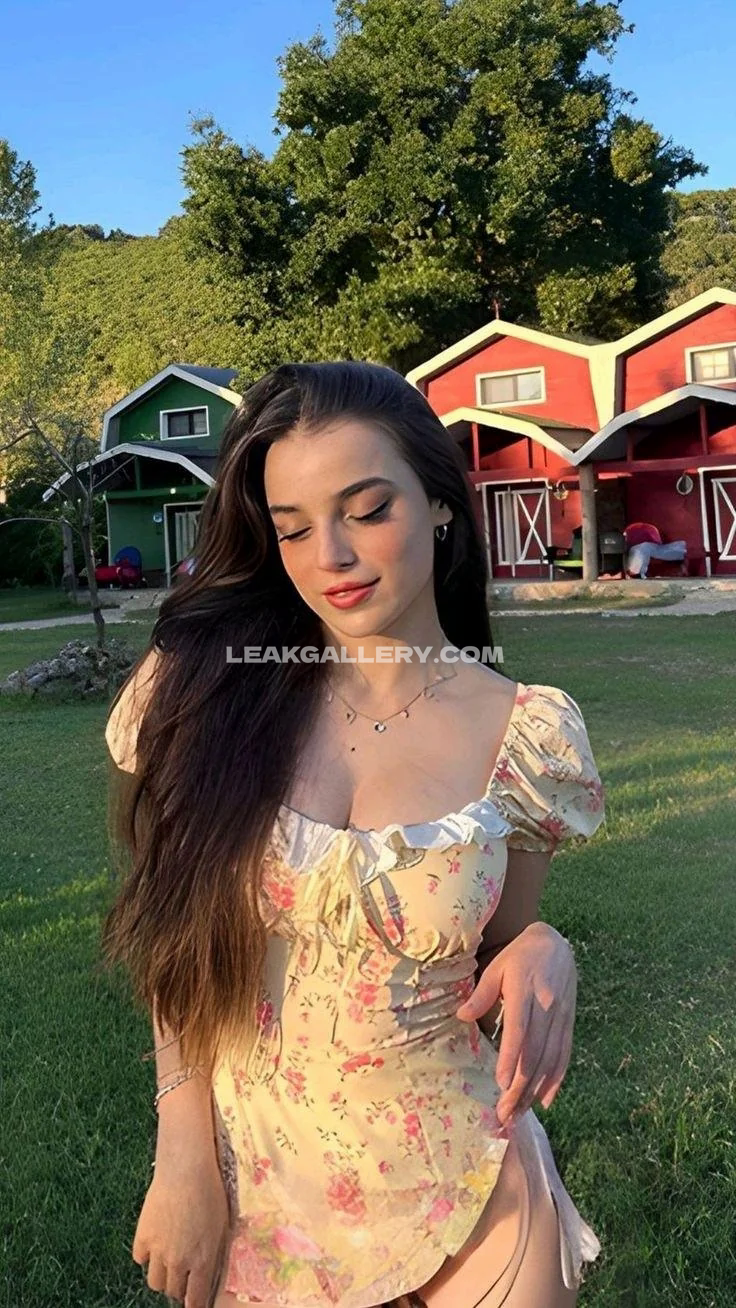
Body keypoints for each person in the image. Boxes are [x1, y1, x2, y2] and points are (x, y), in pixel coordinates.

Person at [100, 361, 605, 1308]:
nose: (331, 554)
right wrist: (183, 1157)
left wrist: (547, 944)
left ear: (440, 503)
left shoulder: (528, 733)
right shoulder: (202, 694)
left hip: (468, 1186)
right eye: (293, 528)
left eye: (368, 510)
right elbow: (176, 942)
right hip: (261, 1202)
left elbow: (494, 968)